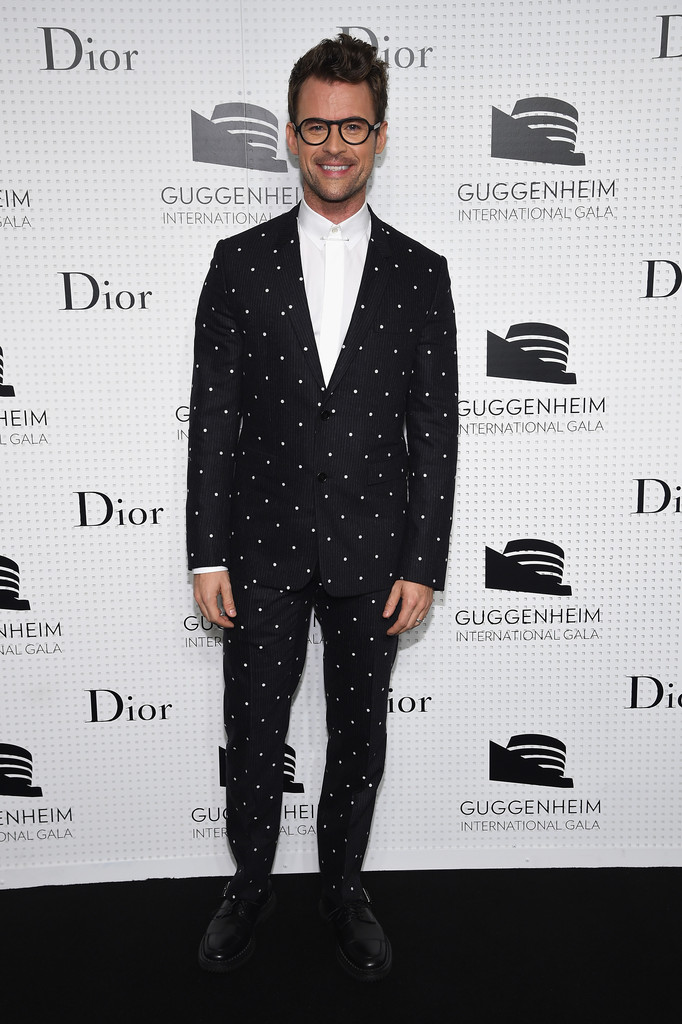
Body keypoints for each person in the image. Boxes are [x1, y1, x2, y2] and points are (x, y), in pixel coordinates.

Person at [187, 32, 457, 981]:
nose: (333, 144)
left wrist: (423, 561)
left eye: (352, 126)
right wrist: (206, 552)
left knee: (359, 737)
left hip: (376, 556)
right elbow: (213, 417)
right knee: (255, 735)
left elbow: (435, 430)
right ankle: (248, 886)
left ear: (380, 136)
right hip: (257, 549)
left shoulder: (422, 273)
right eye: (315, 126)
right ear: (290, 136)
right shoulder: (238, 262)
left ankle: (343, 889)